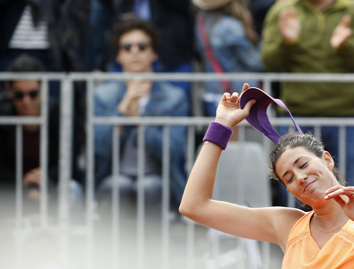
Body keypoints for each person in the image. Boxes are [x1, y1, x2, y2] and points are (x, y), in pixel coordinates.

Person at [180, 83, 354, 269]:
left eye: (303, 164)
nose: (299, 177)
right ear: (290, 191)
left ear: (327, 159)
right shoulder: (286, 225)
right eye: (288, 177)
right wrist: (221, 125)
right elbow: (193, 206)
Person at [260, 0, 354, 198]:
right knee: (297, 195)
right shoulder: (282, 10)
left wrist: (346, 45)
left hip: (348, 115)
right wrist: (287, 43)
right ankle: (300, 230)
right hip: (297, 115)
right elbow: (269, 62)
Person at [94, 17, 189, 213]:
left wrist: (140, 123)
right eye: (127, 47)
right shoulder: (103, 96)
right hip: (114, 175)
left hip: (160, 178)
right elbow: (99, 149)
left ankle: (156, 245)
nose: (135, 51)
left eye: (142, 46)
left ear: (154, 53)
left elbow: (174, 152)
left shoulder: (174, 97)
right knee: (117, 185)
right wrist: (122, 113)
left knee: (149, 186)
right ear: (119, 56)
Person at [0, 54, 83, 221]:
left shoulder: (59, 113)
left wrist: (44, 177)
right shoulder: (3, 115)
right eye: (18, 95)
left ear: (43, 89)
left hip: (53, 182)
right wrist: (23, 180)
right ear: (9, 91)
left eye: (33, 94)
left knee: (72, 190)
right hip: (12, 185)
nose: (26, 101)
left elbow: (71, 163)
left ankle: (74, 247)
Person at [192, 0, 264, 116]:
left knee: (220, 132)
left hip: (212, 90)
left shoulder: (201, 21)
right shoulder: (232, 26)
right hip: (236, 94)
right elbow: (256, 62)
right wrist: (250, 29)